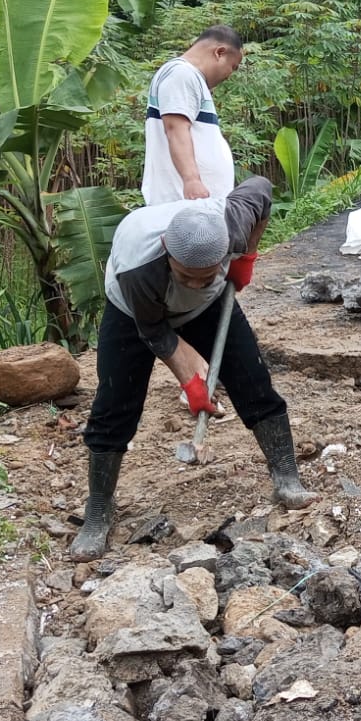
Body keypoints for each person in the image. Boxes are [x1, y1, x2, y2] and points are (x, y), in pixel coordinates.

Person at [69, 176, 314, 561]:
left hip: (208, 307)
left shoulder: (232, 224)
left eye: (207, 275)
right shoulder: (139, 267)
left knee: (252, 380)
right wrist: (192, 383)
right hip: (134, 311)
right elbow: (156, 332)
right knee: (115, 404)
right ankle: (98, 510)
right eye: (187, 276)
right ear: (168, 251)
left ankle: (286, 477)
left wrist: (246, 257)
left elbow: (262, 190)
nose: (196, 283)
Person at [142, 25, 245, 205]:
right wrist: (192, 180)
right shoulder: (182, 74)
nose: (230, 74)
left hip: (196, 204)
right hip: (185, 202)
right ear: (219, 53)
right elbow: (176, 129)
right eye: (233, 66)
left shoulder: (190, 77)